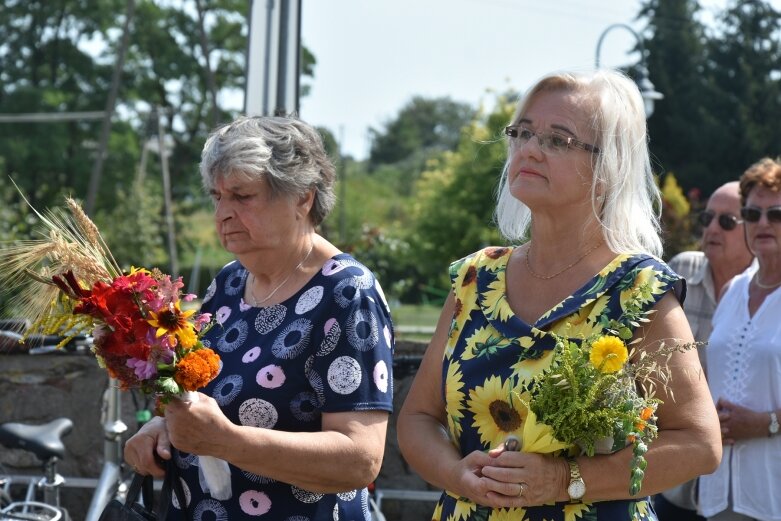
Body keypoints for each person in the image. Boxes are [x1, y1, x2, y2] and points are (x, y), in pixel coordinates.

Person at [396, 69, 721, 521]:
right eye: (523, 133)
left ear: (608, 169)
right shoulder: (475, 278)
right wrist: (456, 474)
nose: (528, 149)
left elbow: (698, 445)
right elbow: (416, 420)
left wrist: (563, 479)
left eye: (557, 140)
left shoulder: (638, 289)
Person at [123, 115, 394, 520]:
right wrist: (158, 430)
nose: (223, 213)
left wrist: (227, 442)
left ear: (303, 196)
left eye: (242, 196)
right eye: (217, 196)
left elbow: (359, 460)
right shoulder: (230, 283)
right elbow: (200, 398)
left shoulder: (347, 293)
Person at [655, 181, 753, 521]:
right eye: (707, 218)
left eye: (726, 222)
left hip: (742, 478)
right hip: (674, 477)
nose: (711, 228)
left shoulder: (767, 295)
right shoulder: (681, 271)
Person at [698, 157, 781, 521]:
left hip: (772, 491)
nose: (763, 223)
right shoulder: (733, 291)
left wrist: (767, 423)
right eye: (752, 213)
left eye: (776, 214)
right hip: (716, 490)